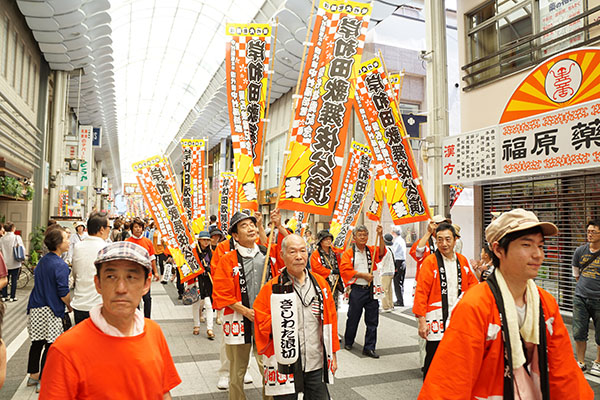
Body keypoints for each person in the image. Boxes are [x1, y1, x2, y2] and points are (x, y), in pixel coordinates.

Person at [419, 209, 594, 399]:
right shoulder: (476, 305)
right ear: (498, 249)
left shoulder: (546, 302)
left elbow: (565, 372)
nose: (538, 255)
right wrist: (422, 318)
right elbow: (449, 385)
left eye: (541, 246)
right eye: (527, 245)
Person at [39, 241, 182, 399]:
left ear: (146, 285)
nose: (121, 288)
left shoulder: (154, 332)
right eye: (111, 276)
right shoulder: (65, 350)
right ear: (98, 283)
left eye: (131, 277)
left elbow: (163, 392)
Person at [254, 234, 339, 399]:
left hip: (316, 361)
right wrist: (279, 323)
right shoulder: (271, 288)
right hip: (286, 363)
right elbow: (260, 319)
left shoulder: (320, 284)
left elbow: (331, 322)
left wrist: (333, 354)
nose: (299, 256)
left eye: (303, 251)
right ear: (282, 255)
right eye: (292, 252)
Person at [213, 211, 281, 400]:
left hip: (265, 322)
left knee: (269, 368)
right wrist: (245, 311)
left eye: (252, 224)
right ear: (235, 236)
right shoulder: (228, 260)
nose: (250, 228)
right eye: (244, 226)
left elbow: (290, 251)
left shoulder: (267, 255)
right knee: (237, 372)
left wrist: (279, 225)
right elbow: (221, 292)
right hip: (239, 322)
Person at [413, 222, 478, 378]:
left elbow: (474, 290)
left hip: (458, 318)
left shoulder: (463, 261)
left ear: (455, 240)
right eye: (440, 240)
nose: (444, 244)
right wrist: (422, 321)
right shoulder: (430, 262)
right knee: (433, 358)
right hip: (436, 319)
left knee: (457, 359)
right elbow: (421, 292)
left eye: (448, 239)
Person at [26, 226, 72, 393]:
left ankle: (33, 376)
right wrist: (69, 304)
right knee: (51, 345)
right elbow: (63, 292)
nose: (68, 242)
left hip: (35, 307)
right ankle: (44, 379)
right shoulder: (60, 265)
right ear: (58, 244)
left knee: (36, 343)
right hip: (51, 310)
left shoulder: (43, 260)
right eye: (66, 239)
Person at [339, 224, 385, 359]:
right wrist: (363, 275)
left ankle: (369, 347)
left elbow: (381, 252)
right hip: (357, 290)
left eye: (365, 234)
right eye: (360, 235)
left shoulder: (370, 250)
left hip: (371, 290)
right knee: (353, 318)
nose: (363, 237)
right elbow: (345, 270)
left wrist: (381, 236)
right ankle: (349, 341)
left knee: (372, 321)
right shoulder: (349, 253)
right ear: (354, 237)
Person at [70, 212, 110, 324]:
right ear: (102, 229)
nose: (109, 230)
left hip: (79, 303)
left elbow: (75, 273)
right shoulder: (106, 248)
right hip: (98, 305)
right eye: (108, 227)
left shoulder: (78, 247)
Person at [572, 218, 600, 374]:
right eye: (589, 231)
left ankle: (598, 362)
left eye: (594, 232)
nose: (590, 234)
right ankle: (581, 362)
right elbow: (576, 273)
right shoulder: (580, 251)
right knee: (578, 331)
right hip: (580, 296)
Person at [125, 218, 159, 318]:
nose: (138, 229)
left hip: (146, 276)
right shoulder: (127, 242)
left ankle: (147, 319)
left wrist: (155, 272)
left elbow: (152, 258)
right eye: (135, 227)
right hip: (133, 276)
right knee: (135, 299)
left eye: (140, 227)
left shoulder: (148, 242)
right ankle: (136, 318)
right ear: (131, 229)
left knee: (147, 298)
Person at [190, 230, 215, 339]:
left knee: (209, 304)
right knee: (196, 304)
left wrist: (210, 269)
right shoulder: (194, 252)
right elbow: (190, 266)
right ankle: (196, 325)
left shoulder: (212, 253)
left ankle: (210, 328)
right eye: (204, 240)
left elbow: (216, 266)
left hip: (208, 282)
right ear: (199, 240)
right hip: (196, 280)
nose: (206, 242)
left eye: (207, 240)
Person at [309, 230, 343, 310]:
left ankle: (334, 321)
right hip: (322, 283)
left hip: (334, 282)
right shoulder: (315, 254)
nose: (328, 241)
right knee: (323, 305)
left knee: (334, 305)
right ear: (320, 241)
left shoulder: (335, 252)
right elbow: (316, 268)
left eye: (329, 239)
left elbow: (340, 264)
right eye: (326, 239)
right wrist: (331, 271)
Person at [0, 222, 25, 302]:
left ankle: (4, 295)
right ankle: (12, 296)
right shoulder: (17, 237)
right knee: (14, 280)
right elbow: (22, 249)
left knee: (5, 279)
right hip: (15, 262)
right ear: (12, 228)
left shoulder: (2, 239)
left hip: (5, 262)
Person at [380, 234, 396, 312]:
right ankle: (390, 304)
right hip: (391, 271)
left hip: (385, 271)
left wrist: (379, 269)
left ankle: (386, 306)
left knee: (384, 289)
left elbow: (382, 261)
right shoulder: (391, 248)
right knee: (389, 289)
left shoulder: (385, 250)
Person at [391, 227, 406, 306]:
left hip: (398, 261)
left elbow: (393, 252)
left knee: (397, 282)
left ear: (394, 232)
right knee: (400, 282)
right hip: (402, 261)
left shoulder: (397, 241)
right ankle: (400, 299)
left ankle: (399, 300)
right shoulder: (401, 240)